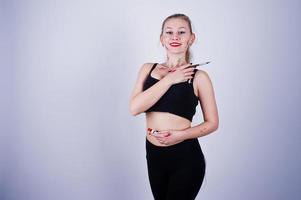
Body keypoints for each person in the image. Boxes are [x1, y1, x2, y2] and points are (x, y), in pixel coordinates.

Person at [129, 13, 219, 200]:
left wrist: (181, 135)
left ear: (191, 38)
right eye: (169, 32)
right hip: (154, 157)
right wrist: (171, 78)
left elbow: (212, 123)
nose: (175, 37)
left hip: (185, 158)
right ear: (162, 39)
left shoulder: (199, 77)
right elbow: (135, 108)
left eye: (181, 32)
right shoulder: (148, 69)